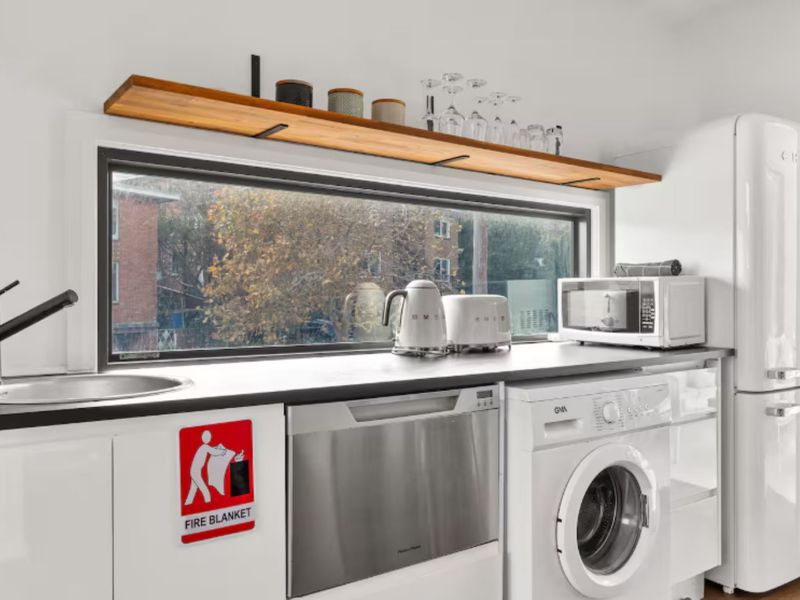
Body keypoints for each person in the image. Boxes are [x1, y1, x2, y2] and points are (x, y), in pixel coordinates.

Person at [184, 430, 230, 505]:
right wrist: (222, 451)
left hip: (194, 471)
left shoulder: (203, 447)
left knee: (192, 490)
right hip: (195, 472)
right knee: (205, 490)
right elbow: (214, 452)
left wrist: (218, 449)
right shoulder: (205, 447)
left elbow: (212, 449)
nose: (209, 438)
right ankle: (208, 503)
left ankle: (188, 503)